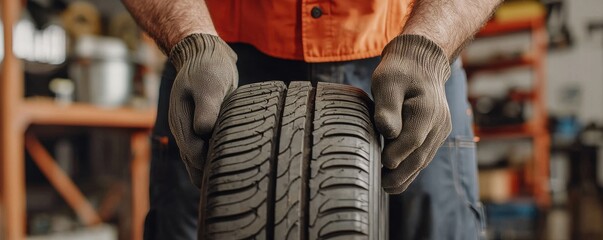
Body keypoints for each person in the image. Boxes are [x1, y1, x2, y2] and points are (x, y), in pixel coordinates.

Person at [122, 0, 500, 239]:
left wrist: (428, 46)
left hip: (405, 50)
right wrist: (190, 40)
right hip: (218, 59)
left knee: (438, 227)